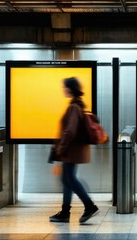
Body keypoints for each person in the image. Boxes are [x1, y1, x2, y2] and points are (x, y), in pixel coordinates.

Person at [49, 77, 99, 223]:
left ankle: (89, 205)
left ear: (70, 89)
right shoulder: (78, 105)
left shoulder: (74, 107)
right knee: (66, 179)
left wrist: (61, 147)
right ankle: (65, 212)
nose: (63, 90)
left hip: (70, 150)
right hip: (72, 150)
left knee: (69, 179)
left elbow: (70, 131)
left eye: (65, 87)